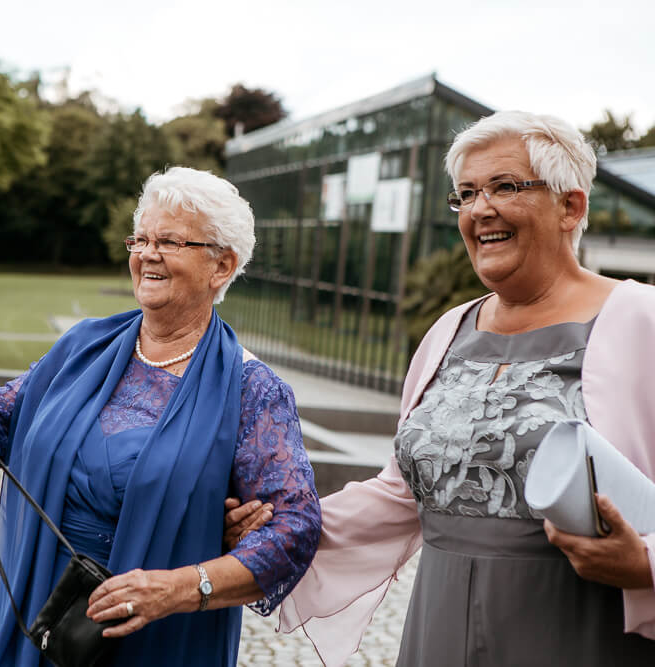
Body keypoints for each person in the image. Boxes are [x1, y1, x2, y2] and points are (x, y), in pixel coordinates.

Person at [228, 111, 655, 665]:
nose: (481, 209)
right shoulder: (449, 331)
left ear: (570, 206)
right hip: (439, 628)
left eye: (505, 186)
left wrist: (644, 564)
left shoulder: (640, 320)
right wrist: (278, 524)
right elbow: (399, 493)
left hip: (579, 630)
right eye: (466, 194)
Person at [0, 167, 322, 667]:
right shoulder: (81, 348)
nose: (147, 254)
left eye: (170, 241)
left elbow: (295, 528)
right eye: (141, 238)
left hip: (158, 636)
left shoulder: (251, 389)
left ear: (222, 266)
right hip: (47, 620)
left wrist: (179, 587)